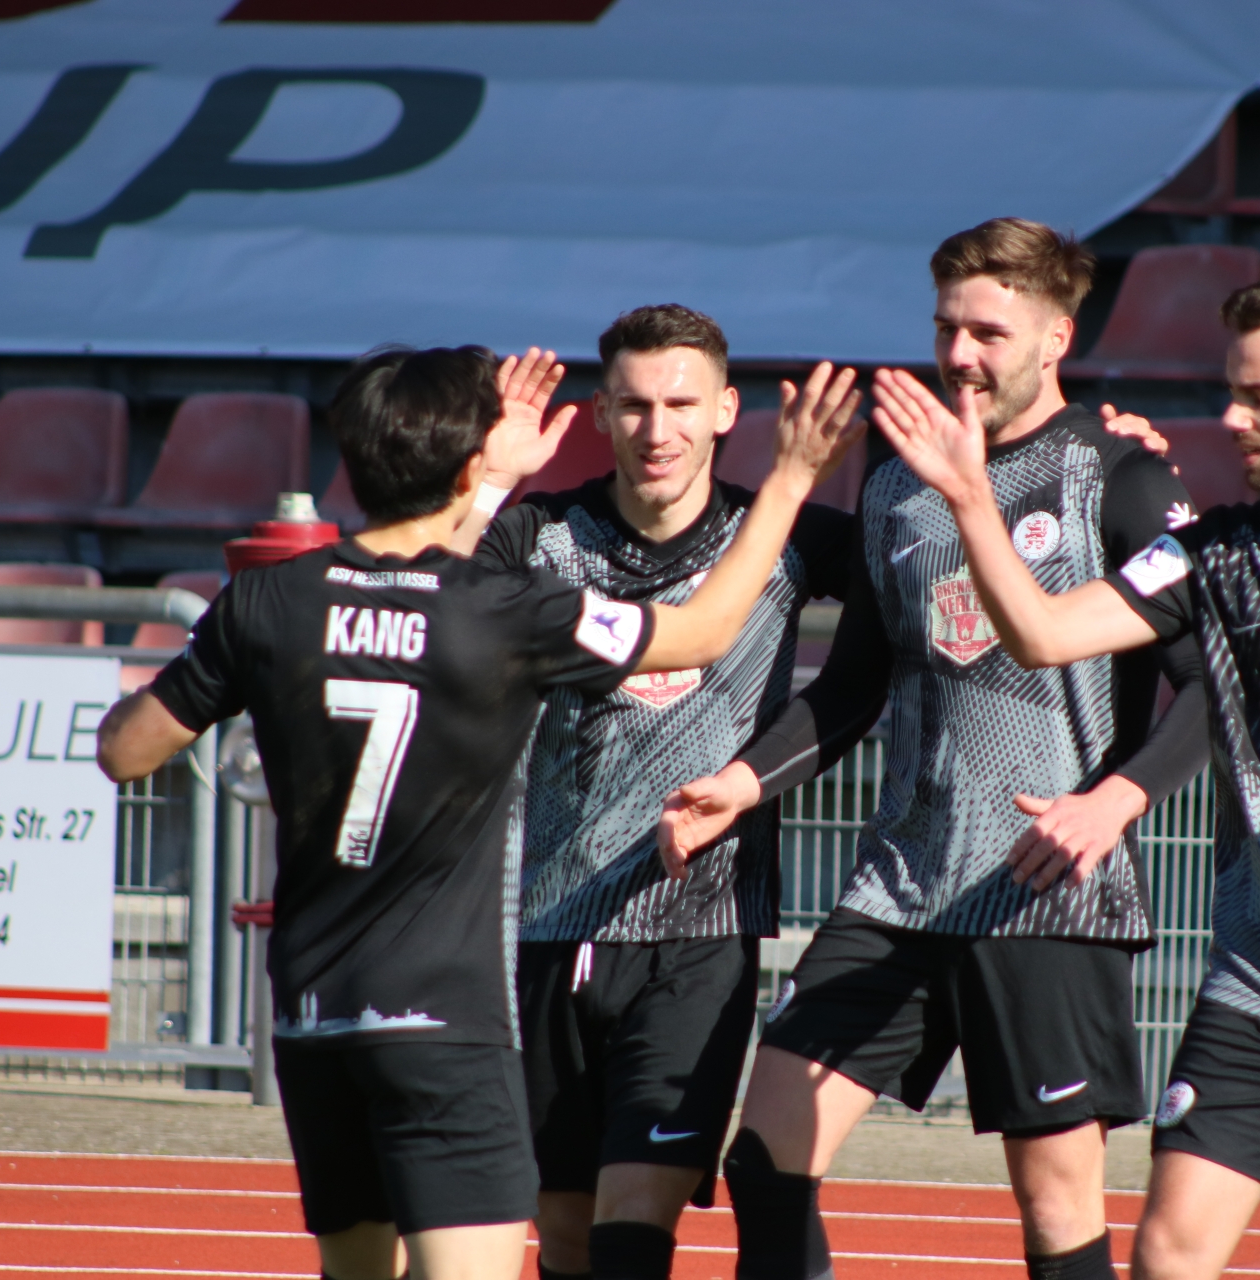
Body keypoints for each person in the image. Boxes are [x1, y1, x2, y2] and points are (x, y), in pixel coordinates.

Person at [96, 342, 863, 1280]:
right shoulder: (504, 606)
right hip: (447, 1012)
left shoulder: (265, 601)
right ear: (468, 465)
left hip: (310, 1013)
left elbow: (124, 751)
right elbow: (702, 632)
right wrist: (789, 479)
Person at [872, 268, 1260, 1280]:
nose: (1231, 416)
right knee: (1167, 1252)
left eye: (1259, 395)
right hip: (1259, 977)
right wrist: (971, 500)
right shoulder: (1211, 551)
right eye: (1230, 390)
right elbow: (1043, 633)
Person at [659, 218, 1209, 1280]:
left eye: (988, 333)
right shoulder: (896, 484)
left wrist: (1116, 800)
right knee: (765, 1160)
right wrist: (741, 781)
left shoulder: (1120, 475)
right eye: (946, 327)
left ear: (1056, 337)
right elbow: (853, 685)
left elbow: (1214, 686)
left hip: (1046, 892)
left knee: (1056, 1208)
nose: (959, 354)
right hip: (900, 886)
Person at [449, 305, 855, 1280]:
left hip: (699, 934)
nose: (657, 428)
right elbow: (424, 592)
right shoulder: (541, 535)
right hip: (545, 930)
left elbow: (928, 583)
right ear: (599, 414)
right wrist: (491, 478)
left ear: (725, 410)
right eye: (633, 405)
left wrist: (1121, 470)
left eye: (680, 404)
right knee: (564, 1232)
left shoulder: (791, 534)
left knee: (636, 1218)